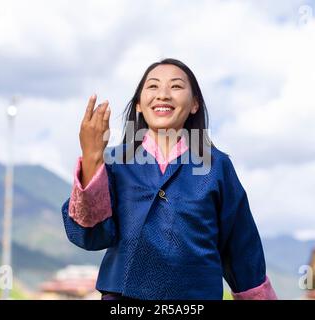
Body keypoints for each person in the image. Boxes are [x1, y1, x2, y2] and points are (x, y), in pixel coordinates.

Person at [61, 58, 277, 300]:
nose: (163, 94)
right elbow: (90, 235)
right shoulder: (113, 162)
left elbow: (241, 247)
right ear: (139, 106)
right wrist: (91, 157)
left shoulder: (217, 166)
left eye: (175, 86)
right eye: (152, 86)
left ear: (195, 104)